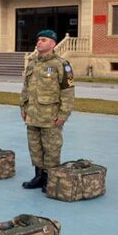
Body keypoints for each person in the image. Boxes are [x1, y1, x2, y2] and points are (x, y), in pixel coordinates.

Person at [19, 29, 74, 192]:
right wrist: (23, 107)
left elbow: (68, 91)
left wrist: (64, 114)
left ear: (53, 43)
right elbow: (26, 88)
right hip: (33, 114)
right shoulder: (32, 62)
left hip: (51, 116)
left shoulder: (61, 64)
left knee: (51, 149)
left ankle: (50, 179)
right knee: (35, 147)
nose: (39, 42)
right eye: (38, 39)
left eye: (43, 40)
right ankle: (39, 176)